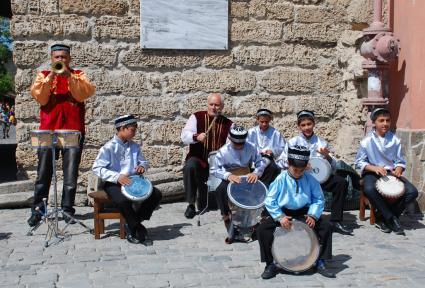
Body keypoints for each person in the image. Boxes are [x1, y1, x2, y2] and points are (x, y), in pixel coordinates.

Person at [27, 44, 96, 226]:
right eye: (57, 57)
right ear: (51, 59)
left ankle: (67, 209)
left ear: (69, 59)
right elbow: (41, 98)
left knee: (70, 175)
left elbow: (82, 95)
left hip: (72, 131)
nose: (60, 60)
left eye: (64, 57)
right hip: (48, 131)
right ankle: (38, 211)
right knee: (43, 174)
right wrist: (51, 77)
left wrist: (69, 77)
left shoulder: (79, 75)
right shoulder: (43, 76)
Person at [257, 145, 335, 279]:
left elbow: (318, 199)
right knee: (262, 230)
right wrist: (279, 217)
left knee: (326, 227)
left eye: (302, 170)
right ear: (288, 164)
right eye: (295, 169)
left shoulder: (310, 179)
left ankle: (321, 261)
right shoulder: (281, 179)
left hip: (305, 213)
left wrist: (313, 215)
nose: (298, 173)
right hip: (283, 213)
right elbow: (270, 200)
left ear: (306, 167)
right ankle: (270, 264)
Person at [276, 110, 352, 235]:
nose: (307, 127)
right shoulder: (293, 142)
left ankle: (336, 220)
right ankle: (299, 218)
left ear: (314, 124)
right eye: (303, 125)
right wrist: (298, 165)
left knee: (341, 183)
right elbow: (280, 162)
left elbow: (334, 167)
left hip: (319, 178)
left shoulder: (321, 142)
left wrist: (327, 156)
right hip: (300, 178)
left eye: (309, 124)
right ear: (299, 126)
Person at [93, 115, 162, 245]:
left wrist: (142, 166)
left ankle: (133, 222)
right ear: (123, 128)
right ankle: (137, 228)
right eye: (132, 129)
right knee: (122, 200)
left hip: (133, 181)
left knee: (156, 194)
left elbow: (144, 161)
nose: (135, 133)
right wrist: (117, 176)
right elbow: (97, 168)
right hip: (114, 182)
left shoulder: (134, 146)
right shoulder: (108, 147)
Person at [355, 107, 418, 235]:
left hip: (389, 173)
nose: (385, 123)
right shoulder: (366, 141)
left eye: (387, 120)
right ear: (374, 122)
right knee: (369, 189)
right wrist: (375, 168)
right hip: (372, 172)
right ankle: (392, 219)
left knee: (412, 191)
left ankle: (382, 218)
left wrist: (399, 168)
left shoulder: (395, 140)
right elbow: (359, 162)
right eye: (381, 120)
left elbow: (400, 161)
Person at [181, 93, 232, 219]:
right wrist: (196, 136)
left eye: (217, 105)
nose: (214, 107)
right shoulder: (196, 117)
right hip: (199, 158)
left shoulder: (229, 123)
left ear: (222, 107)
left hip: (218, 162)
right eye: (211, 104)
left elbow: (230, 145)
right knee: (190, 166)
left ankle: (227, 203)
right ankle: (191, 204)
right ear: (207, 104)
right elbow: (184, 136)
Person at [212, 125, 267, 243]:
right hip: (231, 177)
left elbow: (261, 163)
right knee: (220, 190)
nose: (238, 146)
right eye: (235, 144)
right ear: (230, 139)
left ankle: (256, 219)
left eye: (241, 144)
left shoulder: (251, 147)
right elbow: (214, 170)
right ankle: (226, 216)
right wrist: (228, 176)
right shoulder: (223, 151)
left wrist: (256, 173)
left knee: (260, 188)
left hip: (247, 176)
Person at [247, 108, 285, 186]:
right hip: (253, 159)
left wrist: (273, 151)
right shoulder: (251, 132)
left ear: (270, 120)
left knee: (274, 168)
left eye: (266, 122)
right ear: (257, 120)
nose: (264, 124)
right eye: (262, 122)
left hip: (269, 159)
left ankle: (265, 187)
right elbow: (246, 146)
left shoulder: (276, 133)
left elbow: (282, 148)